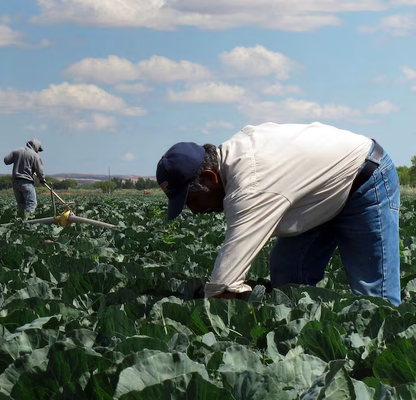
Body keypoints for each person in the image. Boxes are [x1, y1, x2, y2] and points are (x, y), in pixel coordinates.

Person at [156, 122, 401, 306]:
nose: (196, 211)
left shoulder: (250, 182)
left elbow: (224, 284)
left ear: (211, 177)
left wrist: (212, 311)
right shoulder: (235, 157)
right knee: (287, 272)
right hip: (314, 194)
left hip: (366, 179)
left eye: (192, 200)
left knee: (375, 297)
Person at [4, 139, 45, 218]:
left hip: (16, 183)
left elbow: (6, 160)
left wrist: (18, 159)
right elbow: (39, 171)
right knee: (31, 204)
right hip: (26, 183)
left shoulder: (16, 151)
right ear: (36, 146)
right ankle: (28, 223)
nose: (38, 151)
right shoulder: (35, 155)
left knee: (21, 206)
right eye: (38, 149)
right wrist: (42, 180)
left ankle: (21, 223)